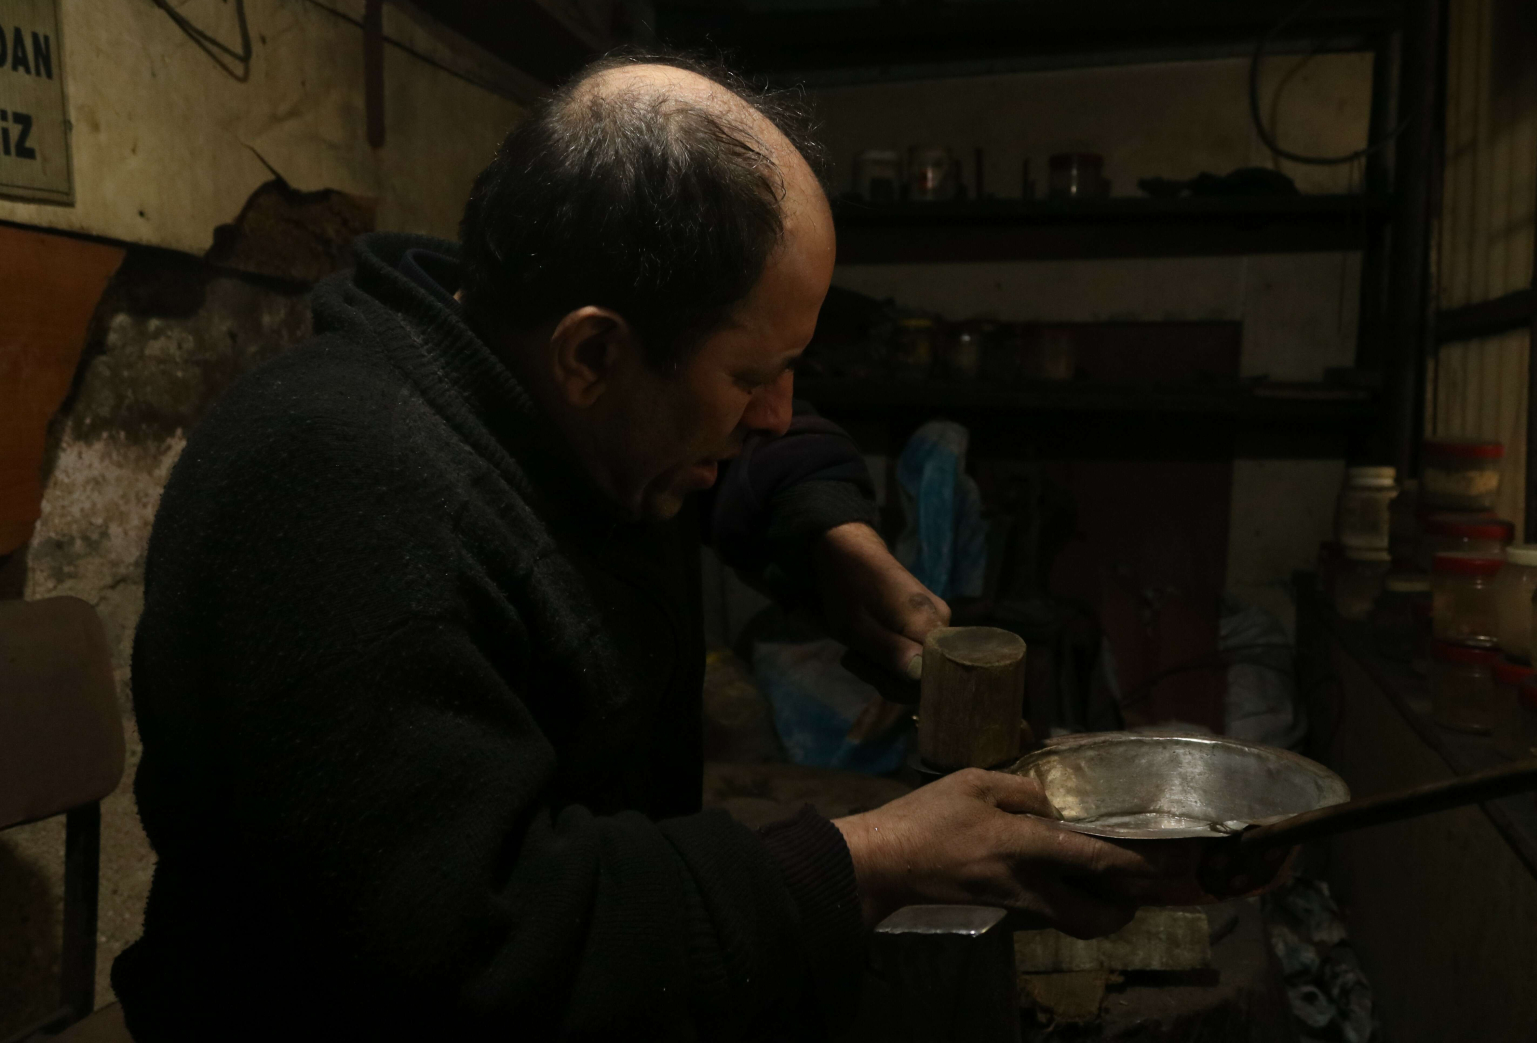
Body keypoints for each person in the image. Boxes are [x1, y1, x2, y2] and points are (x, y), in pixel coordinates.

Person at [112, 53, 1203, 1041]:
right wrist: (871, 860)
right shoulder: (338, 499)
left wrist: (828, 535)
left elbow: (706, 454)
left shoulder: (525, 369)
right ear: (592, 354)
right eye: (750, 378)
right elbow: (484, 944)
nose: (778, 412)